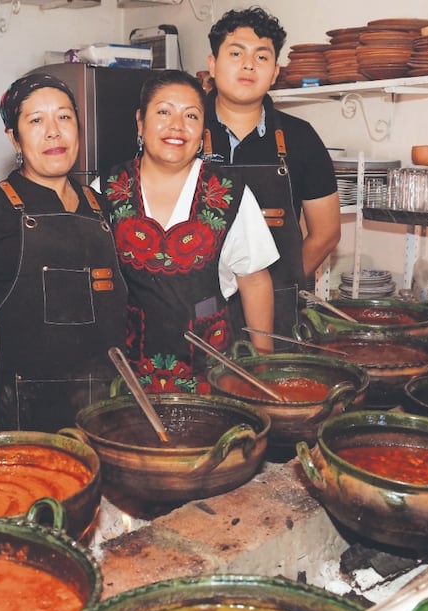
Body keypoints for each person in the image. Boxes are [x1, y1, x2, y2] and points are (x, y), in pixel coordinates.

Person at [0, 74, 127, 433]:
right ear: (13, 137)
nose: (53, 132)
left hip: (107, 398)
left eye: (64, 117)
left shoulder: (100, 205)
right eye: (36, 121)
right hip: (30, 405)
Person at [98, 70, 278, 394]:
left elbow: (254, 280)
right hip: (126, 379)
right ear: (140, 122)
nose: (177, 126)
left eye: (191, 115)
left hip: (211, 372)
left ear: (202, 130)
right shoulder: (106, 190)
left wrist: (261, 369)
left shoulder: (227, 192)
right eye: (164, 112)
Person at [204, 7, 341, 341]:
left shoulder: (301, 138)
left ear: (276, 71)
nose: (249, 65)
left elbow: (326, 233)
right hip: (197, 310)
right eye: (236, 53)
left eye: (261, 57)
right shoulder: (183, 132)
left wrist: (283, 285)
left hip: (278, 318)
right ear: (212, 64)